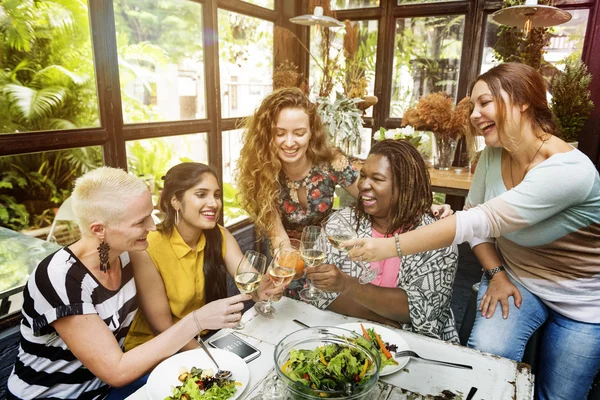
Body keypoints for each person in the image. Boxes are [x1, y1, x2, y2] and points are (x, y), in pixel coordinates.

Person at [341, 63, 600, 400]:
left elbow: (477, 222)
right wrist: (496, 272)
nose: (475, 114)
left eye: (485, 103)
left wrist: (388, 247)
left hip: (582, 300)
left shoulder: (569, 170)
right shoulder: (492, 155)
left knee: (561, 395)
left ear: (523, 101)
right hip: (518, 280)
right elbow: (475, 222)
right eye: (473, 105)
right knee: (485, 360)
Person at [6, 167, 250, 399]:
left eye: (150, 215)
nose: (152, 226)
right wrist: (197, 320)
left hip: (107, 390)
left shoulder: (130, 254)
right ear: (99, 230)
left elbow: (161, 324)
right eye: (140, 222)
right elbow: (117, 371)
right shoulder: (60, 279)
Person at [236, 87, 451, 250]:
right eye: (280, 133)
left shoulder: (331, 162)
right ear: (267, 134)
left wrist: (425, 207)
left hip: (330, 254)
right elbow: (278, 237)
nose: (289, 142)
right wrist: (292, 264)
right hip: (287, 256)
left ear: (312, 133)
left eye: (299, 133)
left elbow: (373, 194)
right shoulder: (261, 173)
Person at [302, 139, 459, 341]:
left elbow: (420, 310)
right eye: (363, 175)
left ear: (405, 187)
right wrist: (380, 320)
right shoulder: (341, 224)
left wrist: (348, 285)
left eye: (377, 178)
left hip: (417, 346)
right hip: (344, 335)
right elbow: (320, 292)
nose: (364, 185)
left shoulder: (436, 238)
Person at [124, 162, 278, 352]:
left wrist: (267, 287)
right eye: (201, 194)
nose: (214, 203)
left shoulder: (219, 235)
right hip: (156, 350)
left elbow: (251, 282)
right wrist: (208, 357)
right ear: (175, 201)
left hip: (204, 339)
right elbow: (161, 327)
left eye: (216, 195)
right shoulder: (148, 248)